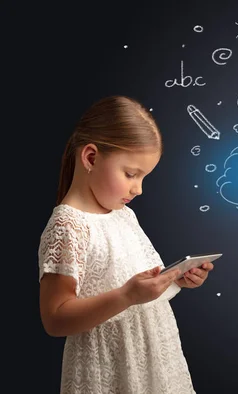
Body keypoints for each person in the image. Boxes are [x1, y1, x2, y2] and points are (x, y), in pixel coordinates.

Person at [38, 95, 214, 393]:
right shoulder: (69, 225)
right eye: (131, 174)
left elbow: (135, 281)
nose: (139, 188)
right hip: (110, 367)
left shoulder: (124, 215)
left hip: (155, 359)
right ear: (91, 158)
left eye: (144, 177)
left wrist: (175, 280)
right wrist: (126, 296)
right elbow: (55, 319)